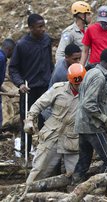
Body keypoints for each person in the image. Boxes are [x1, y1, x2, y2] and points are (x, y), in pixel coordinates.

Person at [23, 63, 86, 184]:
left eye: (81, 83)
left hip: (73, 137)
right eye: (76, 84)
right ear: (70, 80)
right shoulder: (58, 89)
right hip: (51, 135)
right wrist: (30, 119)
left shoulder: (88, 94)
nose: (78, 86)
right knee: (38, 172)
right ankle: (27, 195)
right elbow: (39, 104)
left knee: (75, 177)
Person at [9, 13, 53, 156]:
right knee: (27, 121)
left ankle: (44, 150)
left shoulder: (46, 40)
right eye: (39, 27)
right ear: (31, 28)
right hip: (29, 89)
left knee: (45, 119)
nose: (43, 29)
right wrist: (20, 84)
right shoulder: (22, 45)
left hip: (45, 86)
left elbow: (49, 61)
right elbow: (13, 68)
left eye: (43, 26)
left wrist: (52, 78)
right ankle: (25, 150)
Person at [72, 48, 107, 183]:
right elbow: (89, 104)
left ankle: (75, 186)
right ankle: (97, 188)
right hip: (93, 126)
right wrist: (105, 120)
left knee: (84, 161)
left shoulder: (90, 72)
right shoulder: (99, 77)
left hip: (81, 124)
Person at [0, 39, 15, 130]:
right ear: (9, 49)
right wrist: (7, 92)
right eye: (13, 51)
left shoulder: (2, 58)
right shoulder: (1, 59)